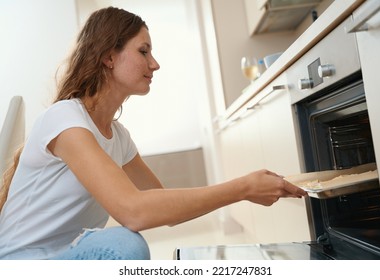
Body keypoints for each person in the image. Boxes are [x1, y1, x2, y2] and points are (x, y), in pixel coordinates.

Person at [0, 7, 306, 260]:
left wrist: (243, 192)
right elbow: (133, 212)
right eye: (143, 51)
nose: (154, 64)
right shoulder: (65, 119)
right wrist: (241, 188)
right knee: (125, 245)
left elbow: (162, 206)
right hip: (21, 264)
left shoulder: (118, 138)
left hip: (63, 256)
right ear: (109, 57)